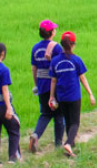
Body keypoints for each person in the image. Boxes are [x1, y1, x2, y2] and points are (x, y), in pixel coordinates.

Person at [49, 31, 95, 158]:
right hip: (74, 96)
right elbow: (83, 79)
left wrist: (51, 96)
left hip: (61, 96)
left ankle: (71, 144)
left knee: (68, 121)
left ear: (62, 45)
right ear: (73, 45)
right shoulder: (76, 59)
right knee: (75, 122)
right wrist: (90, 94)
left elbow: (53, 80)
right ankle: (68, 143)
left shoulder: (55, 61)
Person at [29, 20, 64, 153]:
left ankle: (36, 135)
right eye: (54, 29)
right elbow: (60, 64)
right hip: (54, 84)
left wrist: (36, 84)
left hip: (42, 84)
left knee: (45, 113)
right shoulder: (56, 47)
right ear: (51, 32)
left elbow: (34, 68)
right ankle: (58, 144)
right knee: (59, 115)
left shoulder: (35, 48)